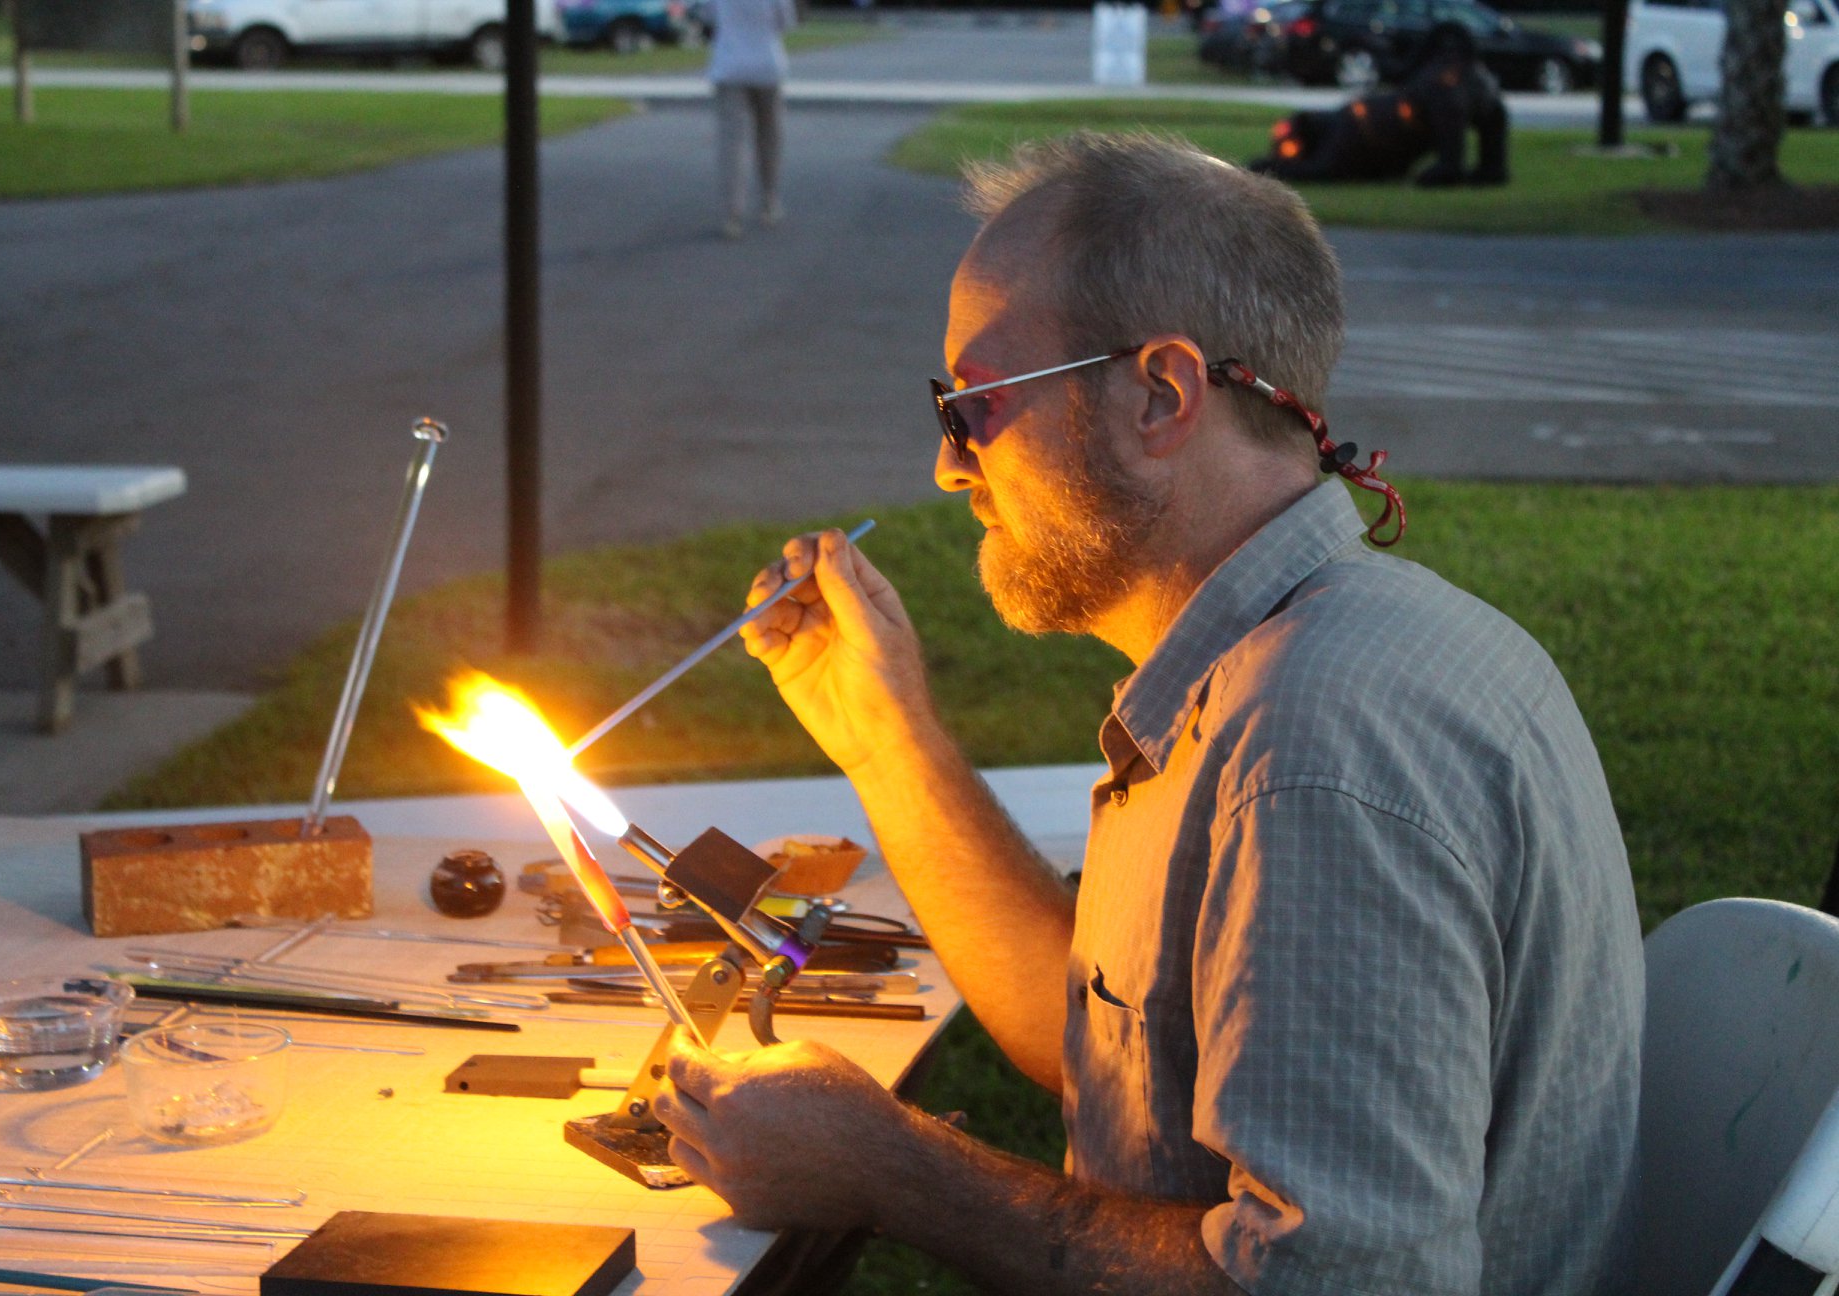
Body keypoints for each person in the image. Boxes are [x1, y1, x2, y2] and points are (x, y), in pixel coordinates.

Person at [653, 132, 1642, 1294]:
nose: (949, 466)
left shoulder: (1315, 748)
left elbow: (1329, 1285)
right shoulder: (1283, 664)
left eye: (972, 405)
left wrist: (889, 1168)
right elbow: (1111, 1048)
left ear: (1161, 396)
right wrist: (884, 735)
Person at [1251, 23, 1509, 186]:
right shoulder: (1465, 86)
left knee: (1322, 167)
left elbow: (1321, 169)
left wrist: (1266, 167)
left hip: (1369, 126)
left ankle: (1267, 167)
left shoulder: (1444, 89)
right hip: (1381, 130)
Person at [705, 0, 796, 239]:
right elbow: (786, 21)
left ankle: (732, 213)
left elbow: (710, 15)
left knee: (731, 143)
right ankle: (769, 200)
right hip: (767, 65)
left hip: (729, 65)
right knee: (769, 136)